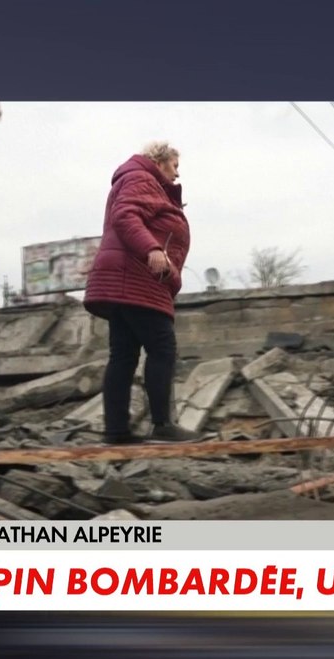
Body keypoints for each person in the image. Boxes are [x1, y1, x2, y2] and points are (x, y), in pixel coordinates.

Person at [84, 142, 201, 444]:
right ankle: (162, 424)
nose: (178, 172)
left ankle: (116, 431)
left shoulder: (143, 182)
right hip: (137, 276)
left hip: (127, 278)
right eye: (175, 165)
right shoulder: (141, 178)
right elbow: (125, 215)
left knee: (123, 354)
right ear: (159, 162)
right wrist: (151, 248)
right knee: (162, 348)